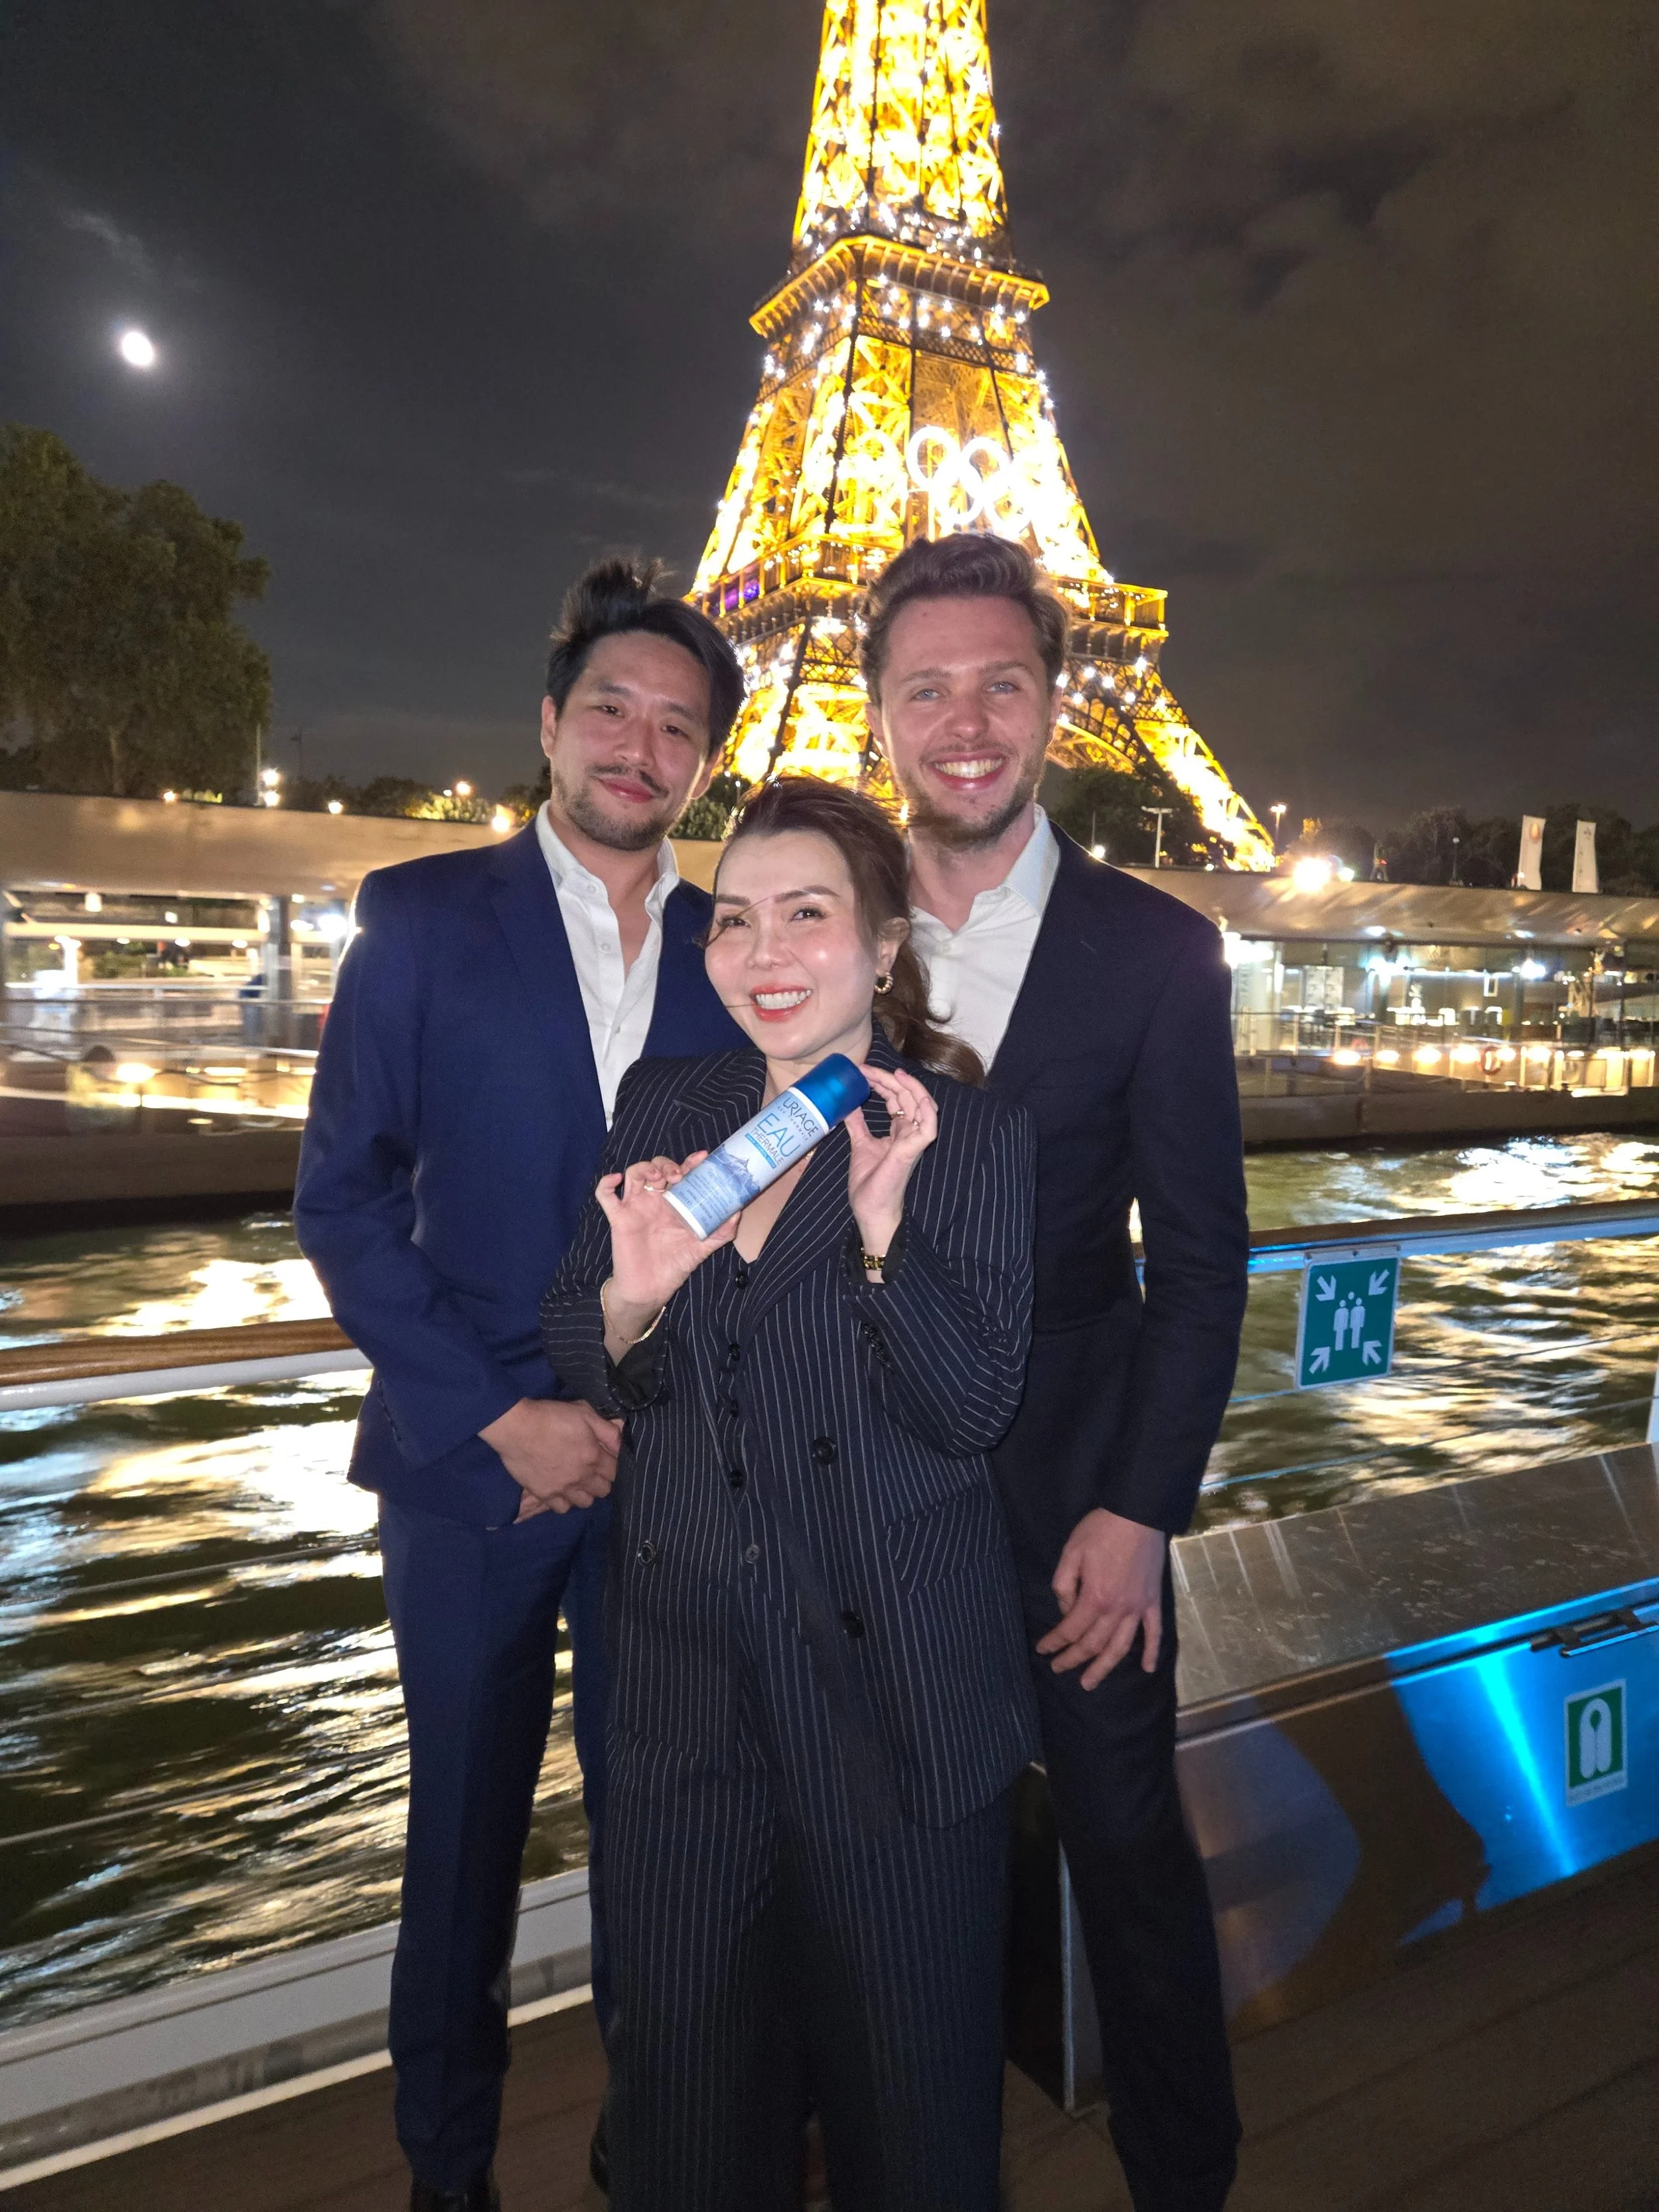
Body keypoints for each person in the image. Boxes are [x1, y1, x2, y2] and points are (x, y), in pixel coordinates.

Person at [293, 559, 747, 2212]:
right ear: (549, 724)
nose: (640, 744)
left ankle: (658, 2150)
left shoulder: (733, 946)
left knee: (664, 1845)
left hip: (669, 1467)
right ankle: (445, 2176)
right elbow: (337, 1196)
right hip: (470, 1465)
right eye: (611, 708)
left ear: (707, 766)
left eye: (677, 726)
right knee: (461, 1851)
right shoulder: (420, 916)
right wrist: (497, 1418)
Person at [540, 777, 1039, 2212]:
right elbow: (581, 1332)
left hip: (894, 1708)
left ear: (883, 943)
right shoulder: (667, 1104)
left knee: (914, 2123)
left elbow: (971, 1407)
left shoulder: (966, 1136)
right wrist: (632, 1300)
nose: (764, 949)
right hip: (687, 1700)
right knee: (685, 2109)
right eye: (735, 918)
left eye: (807, 914)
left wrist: (884, 1236)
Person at [862, 534, 1250, 2212]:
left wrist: (1139, 1507)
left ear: (1056, 705)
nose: (964, 722)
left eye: (999, 684)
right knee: (884, 1859)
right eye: (926, 687)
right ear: (876, 712)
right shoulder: (813, 922)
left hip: (1076, 1501)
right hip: (867, 1488)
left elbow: (1206, 1261)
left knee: (1124, 1844)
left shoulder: (1157, 950)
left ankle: (1187, 2175)